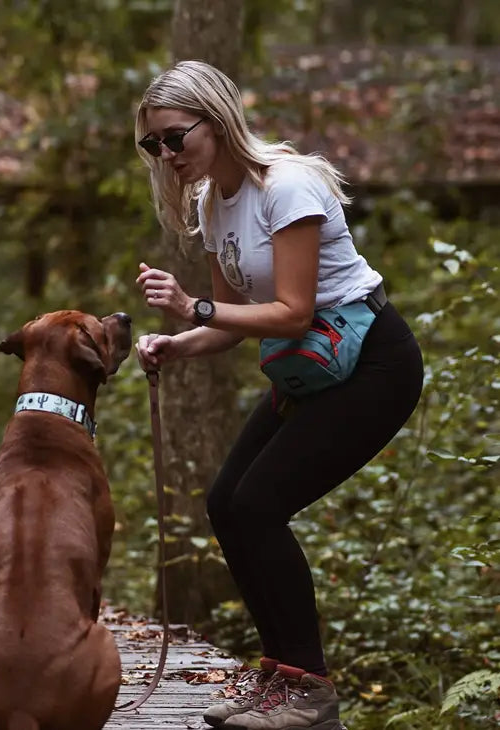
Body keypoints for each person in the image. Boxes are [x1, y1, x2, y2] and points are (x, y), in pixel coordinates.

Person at [132, 60, 424, 730]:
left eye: (177, 137)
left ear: (218, 118)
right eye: (155, 145)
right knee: (227, 504)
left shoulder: (286, 186)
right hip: (311, 364)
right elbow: (229, 318)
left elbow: (290, 311)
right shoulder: (213, 203)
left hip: (373, 363)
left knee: (259, 503)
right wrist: (178, 341)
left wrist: (191, 306)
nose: (168, 154)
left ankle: (309, 690)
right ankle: (278, 678)